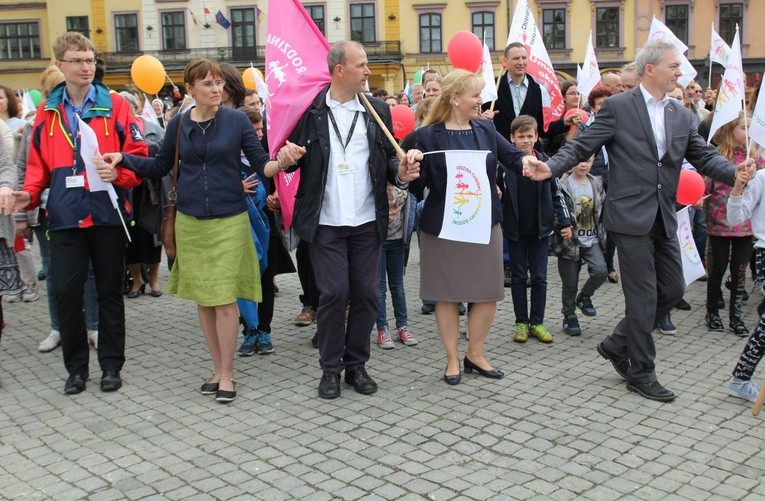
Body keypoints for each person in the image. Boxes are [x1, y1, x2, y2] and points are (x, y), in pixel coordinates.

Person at [521, 40, 753, 403]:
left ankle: (616, 343)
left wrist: (733, 171)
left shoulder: (680, 113)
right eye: (674, 65)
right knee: (643, 297)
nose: (680, 71)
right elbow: (582, 146)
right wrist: (549, 167)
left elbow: (703, 155)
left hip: (664, 213)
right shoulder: (618, 107)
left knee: (673, 289)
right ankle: (641, 372)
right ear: (651, 69)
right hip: (629, 217)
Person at [97, 58, 298, 403]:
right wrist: (123, 158)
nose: (216, 89)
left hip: (229, 220)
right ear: (190, 89)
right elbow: (160, 165)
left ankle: (228, 373)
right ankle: (217, 368)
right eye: (207, 84)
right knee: (205, 301)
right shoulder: (178, 124)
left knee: (223, 300)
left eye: (219, 83)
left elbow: (261, 161)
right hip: (190, 222)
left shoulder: (236, 121)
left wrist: (281, 162)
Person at [272, 40, 420, 399]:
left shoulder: (377, 112)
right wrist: (287, 155)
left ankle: (356, 365)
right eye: (362, 65)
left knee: (367, 294)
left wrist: (400, 172)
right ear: (339, 70)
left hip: (368, 221)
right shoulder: (309, 111)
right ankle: (331, 369)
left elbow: (387, 162)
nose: (368, 71)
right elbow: (287, 153)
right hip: (326, 222)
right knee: (335, 293)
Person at [11, 32, 147, 395]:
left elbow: (138, 156)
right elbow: (38, 165)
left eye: (90, 60)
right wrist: (28, 194)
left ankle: (111, 366)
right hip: (66, 215)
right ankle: (75, 369)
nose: (87, 67)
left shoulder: (115, 104)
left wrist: (119, 173)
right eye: (78, 60)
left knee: (108, 293)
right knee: (67, 293)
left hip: (107, 212)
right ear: (61, 65)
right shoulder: (47, 110)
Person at [412, 69, 524, 384]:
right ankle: (451, 360)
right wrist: (408, 168)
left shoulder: (486, 129)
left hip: (485, 222)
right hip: (443, 227)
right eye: (475, 95)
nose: (480, 100)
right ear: (455, 98)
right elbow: (414, 181)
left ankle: (475, 354)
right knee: (446, 294)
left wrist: (529, 163)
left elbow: (512, 157)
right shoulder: (427, 135)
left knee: (488, 291)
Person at [503, 115, 568, 344]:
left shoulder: (545, 162)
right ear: (512, 138)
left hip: (541, 230)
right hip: (516, 230)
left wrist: (565, 222)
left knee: (540, 277)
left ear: (537, 136)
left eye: (530, 136)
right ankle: (521, 322)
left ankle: (537, 322)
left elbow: (556, 194)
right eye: (520, 136)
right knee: (519, 277)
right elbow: (496, 190)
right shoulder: (506, 165)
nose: (525, 140)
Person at [704, 111, 762, 337]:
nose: (748, 134)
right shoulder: (718, 157)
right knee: (717, 268)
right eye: (743, 128)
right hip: (719, 222)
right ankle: (712, 312)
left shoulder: (757, 159)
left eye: (750, 128)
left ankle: (735, 316)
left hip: (746, 225)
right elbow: (707, 188)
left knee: (739, 272)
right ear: (730, 131)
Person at [117, 91, 165, 299]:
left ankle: (153, 279)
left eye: (130, 106)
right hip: (126, 190)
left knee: (152, 237)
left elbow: (165, 154)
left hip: (150, 189)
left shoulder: (153, 128)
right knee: (131, 237)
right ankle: (136, 280)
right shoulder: (115, 129)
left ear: (136, 108)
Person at [554, 155, 608, 336]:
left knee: (600, 271)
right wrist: (561, 226)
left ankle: (584, 297)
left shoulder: (597, 183)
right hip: (570, 243)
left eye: (589, 160)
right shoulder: (562, 184)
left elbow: (602, 209)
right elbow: (556, 209)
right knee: (570, 282)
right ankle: (569, 315)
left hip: (592, 239)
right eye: (579, 160)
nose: (584, 164)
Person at [726, 158, 765, 402]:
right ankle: (740, 379)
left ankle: (741, 378)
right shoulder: (761, 178)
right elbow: (735, 218)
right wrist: (738, 189)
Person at [376, 181, 417, 349]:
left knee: (398, 286)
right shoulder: (375, 181)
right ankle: (382, 329)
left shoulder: (404, 182)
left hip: (398, 241)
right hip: (377, 241)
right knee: (379, 288)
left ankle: (402, 326)